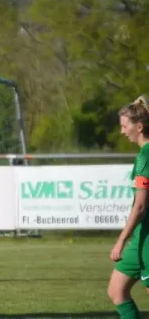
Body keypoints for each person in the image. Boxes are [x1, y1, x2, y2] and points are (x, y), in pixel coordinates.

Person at [108, 96, 149, 319]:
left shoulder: (145, 157)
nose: (123, 132)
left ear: (139, 126)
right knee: (117, 289)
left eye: (125, 126)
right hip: (143, 235)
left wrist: (121, 240)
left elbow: (140, 207)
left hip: (148, 237)